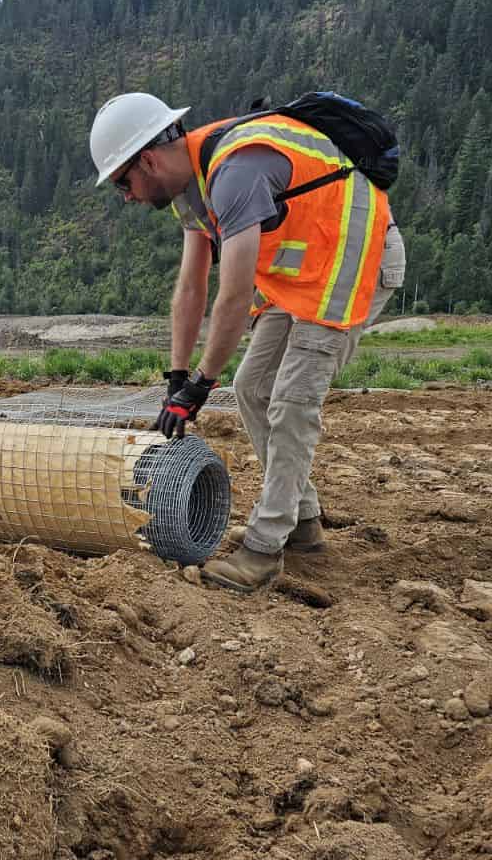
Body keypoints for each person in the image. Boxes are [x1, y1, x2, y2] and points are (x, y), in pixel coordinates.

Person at [89, 93, 406, 591]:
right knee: (252, 387)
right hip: (303, 274)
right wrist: (177, 380)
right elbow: (191, 288)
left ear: (147, 159)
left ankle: (262, 551)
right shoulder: (192, 189)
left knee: (292, 401)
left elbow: (232, 296)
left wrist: (200, 385)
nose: (126, 196)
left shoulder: (234, 172)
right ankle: (300, 523)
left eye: (122, 182)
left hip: (354, 258)